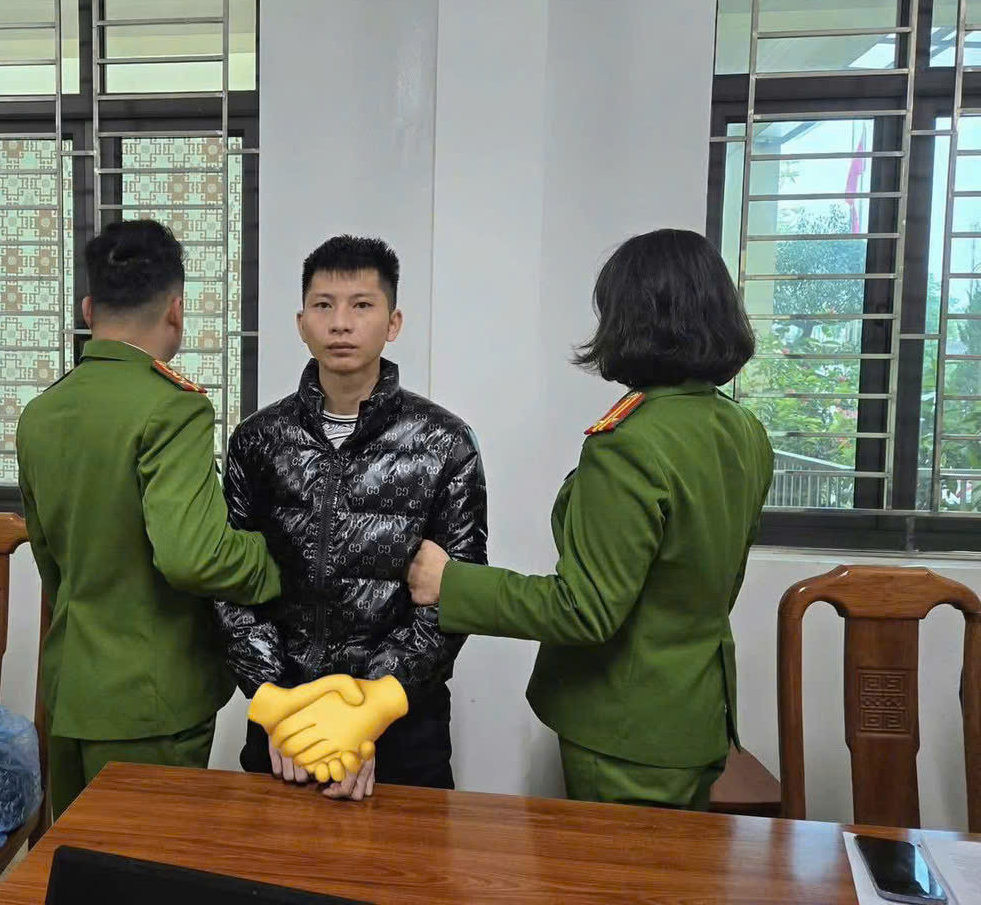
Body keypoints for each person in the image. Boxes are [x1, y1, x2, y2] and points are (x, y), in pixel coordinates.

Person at [407, 228, 772, 811]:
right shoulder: (743, 430)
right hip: (699, 714)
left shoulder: (630, 443)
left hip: (626, 729)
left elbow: (585, 609)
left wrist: (451, 584)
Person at [16, 220, 282, 819]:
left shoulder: (40, 414)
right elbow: (194, 556)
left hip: (72, 687)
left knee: (78, 856)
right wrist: (273, 563)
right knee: (145, 862)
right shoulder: (172, 408)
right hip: (151, 699)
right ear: (175, 311)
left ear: (88, 309)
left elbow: (50, 561)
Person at [214, 235, 488, 801]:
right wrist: (278, 704)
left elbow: (456, 594)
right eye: (324, 305)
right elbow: (230, 583)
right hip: (283, 724)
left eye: (362, 305)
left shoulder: (445, 443)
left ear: (393, 323)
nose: (341, 323)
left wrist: (365, 716)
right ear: (301, 323)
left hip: (402, 727)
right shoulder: (257, 441)